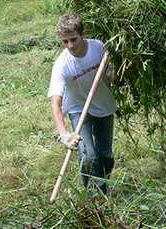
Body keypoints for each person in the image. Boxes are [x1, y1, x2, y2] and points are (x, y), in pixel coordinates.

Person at [48, 13, 118, 196]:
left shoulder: (99, 48)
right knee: (88, 156)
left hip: (103, 105)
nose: (70, 46)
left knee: (105, 155)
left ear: (83, 34)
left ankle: (102, 191)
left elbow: (113, 77)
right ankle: (90, 194)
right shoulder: (62, 64)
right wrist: (64, 134)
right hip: (79, 109)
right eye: (65, 42)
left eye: (73, 39)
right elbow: (55, 103)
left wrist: (120, 72)